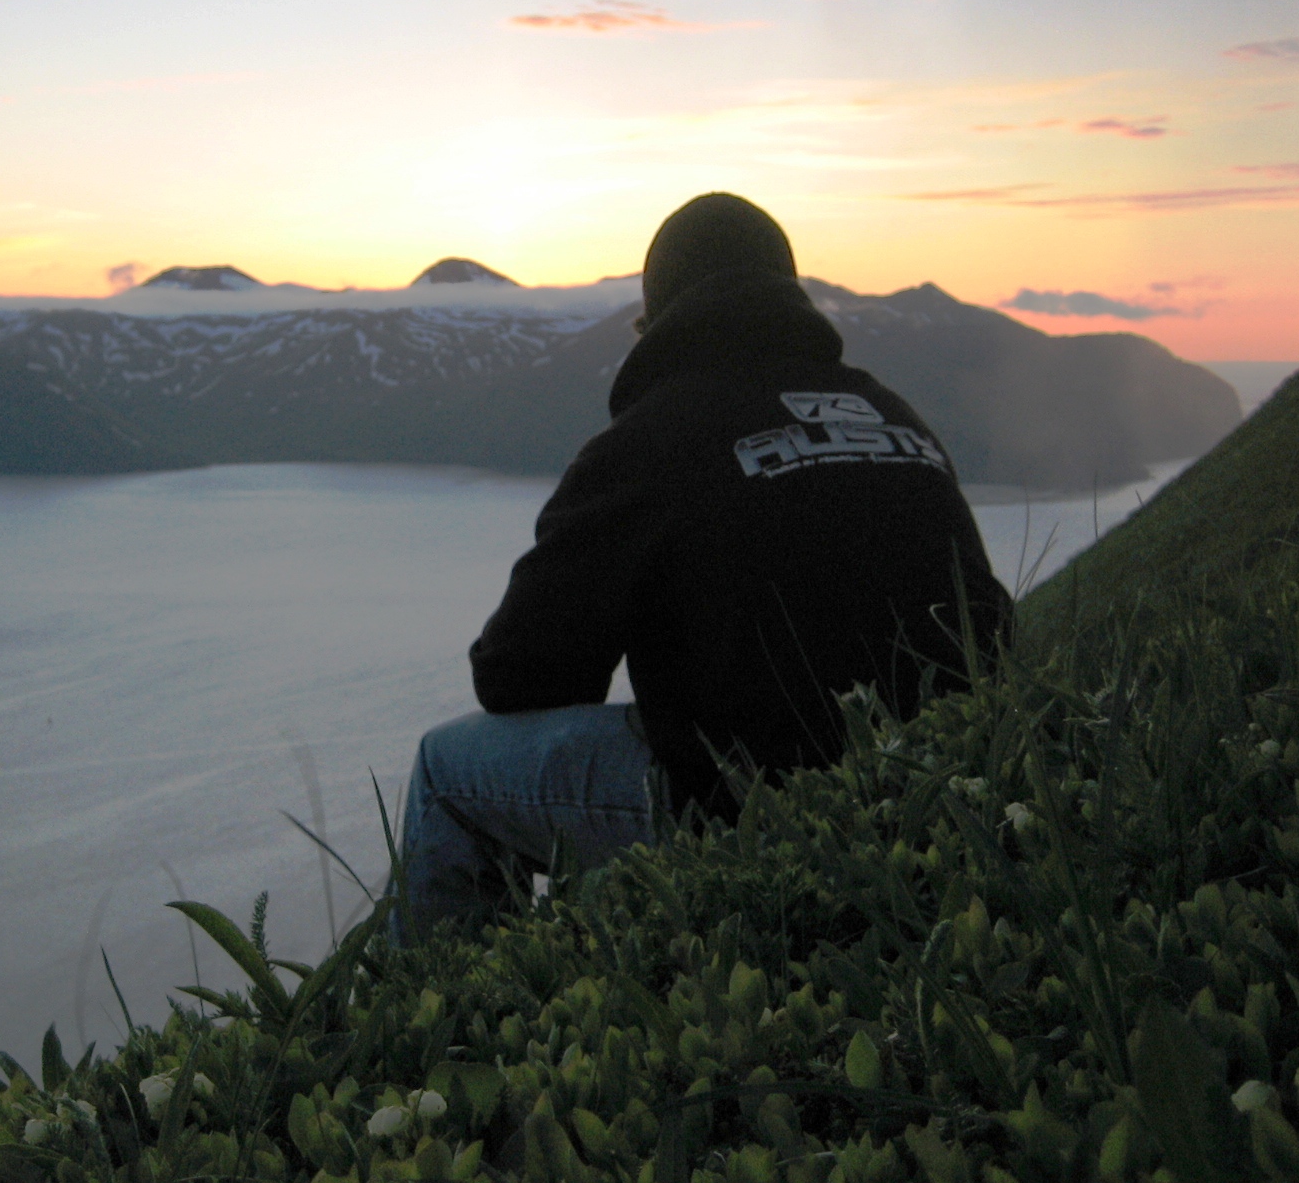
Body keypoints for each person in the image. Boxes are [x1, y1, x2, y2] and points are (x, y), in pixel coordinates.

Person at [395, 193, 1013, 934]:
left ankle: (456, 1017)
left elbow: (516, 675)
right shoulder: (886, 411)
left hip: (751, 806)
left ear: (650, 322)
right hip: (953, 791)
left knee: (445, 772)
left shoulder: (650, 440)